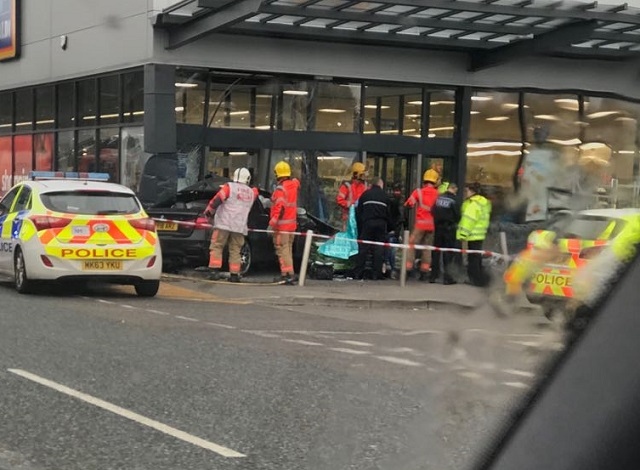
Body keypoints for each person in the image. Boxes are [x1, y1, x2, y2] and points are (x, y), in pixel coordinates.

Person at [204, 167, 258, 282]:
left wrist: (209, 212)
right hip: (239, 226)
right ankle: (234, 274)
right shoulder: (251, 192)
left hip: (224, 223)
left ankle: (214, 271)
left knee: (217, 246)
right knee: (236, 250)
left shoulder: (229, 187)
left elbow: (217, 200)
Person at [404, 169, 440, 281]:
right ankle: (424, 271)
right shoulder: (438, 194)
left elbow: (408, 204)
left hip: (420, 224)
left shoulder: (418, 192)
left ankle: (408, 269)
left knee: (411, 245)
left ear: (424, 180)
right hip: (432, 225)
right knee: (427, 248)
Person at [352, 177, 391, 280]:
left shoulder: (365, 195)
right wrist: (389, 228)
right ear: (380, 184)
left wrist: (361, 227)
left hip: (367, 223)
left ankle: (358, 273)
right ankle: (376, 274)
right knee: (378, 249)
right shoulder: (385, 196)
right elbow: (389, 214)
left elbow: (359, 212)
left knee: (363, 249)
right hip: (381, 224)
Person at [269, 161, 301, 284]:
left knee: (282, 250)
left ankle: (287, 275)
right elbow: (297, 182)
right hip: (292, 225)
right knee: (287, 249)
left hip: (282, 226)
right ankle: (288, 274)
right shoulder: (293, 185)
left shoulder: (280, 189)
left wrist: (272, 223)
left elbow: (280, 208)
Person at [457, 182, 492, 287]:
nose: (465, 193)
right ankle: (479, 279)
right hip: (479, 234)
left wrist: (462, 234)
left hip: (472, 234)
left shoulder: (473, 204)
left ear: (472, 191)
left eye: (467, 191)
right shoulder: (483, 203)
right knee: (476, 258)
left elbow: (469, 220)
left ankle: (474, 279)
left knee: (473, 259)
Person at [430, 183, 461, 285]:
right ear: (455, 189)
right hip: (449, 228)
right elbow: (457, 215)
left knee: (436, 252)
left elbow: (432, 210)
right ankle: (447, 278)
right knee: (448, 253)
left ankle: (433, 276)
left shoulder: (439, 198)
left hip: (438, 227)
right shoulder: (454, 200)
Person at [336, 162, 367, 230]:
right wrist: (352, 204)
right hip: (347, 219)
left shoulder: (364, 187)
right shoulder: (346, 186)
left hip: (359, 219)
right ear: (356, 174)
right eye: (362, 174)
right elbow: (339, 200)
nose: (364, 176)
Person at [386, 182, 406, 279]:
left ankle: (391, 269)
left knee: (391, 249)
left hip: (391, 229)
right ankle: (393, 270)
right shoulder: (398, 203)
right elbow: (401, 218)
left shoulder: (391, 202)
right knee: (392, 250)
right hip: (394, 230)